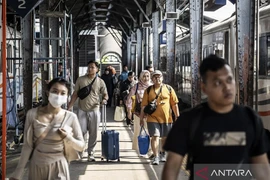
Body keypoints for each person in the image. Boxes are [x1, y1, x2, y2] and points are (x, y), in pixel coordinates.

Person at [162, 54, 270, 180]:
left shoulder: (250, 118)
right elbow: (171, 168)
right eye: (218, 83)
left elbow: (262, 168)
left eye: (229, 80)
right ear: (204, 88)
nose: (227, 87)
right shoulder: (189, 121)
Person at [10, 78, 85, 180]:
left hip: (59, 166)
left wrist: (68, 138)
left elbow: (81, 146)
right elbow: (27, 146)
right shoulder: (32, 114)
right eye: (54, 91)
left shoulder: (71, 117)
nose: (58, 96)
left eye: (63, 93)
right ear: (47, 93)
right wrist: (18, 172)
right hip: (37, 165)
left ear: (67, 97)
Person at [67, 60, 108, 162]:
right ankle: (81, 151)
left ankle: (91, 152)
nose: (90, 69)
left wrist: (104, 99)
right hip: (82, 109)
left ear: (97, 69)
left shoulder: (100, 82)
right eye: (89, 67)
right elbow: (75, 94)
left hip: (94, 110)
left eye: (92, 67)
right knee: (81, 132)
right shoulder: (80, 80)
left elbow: (105, 94)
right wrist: (69, 107)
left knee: (93, 132)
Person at [140, 70, 180, 165]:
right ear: (152, 79)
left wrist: (178, 117)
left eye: (159, 76)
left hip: (167, 118)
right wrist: (141, 119)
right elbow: (143, 106)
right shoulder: (148, 90)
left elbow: (174, 104)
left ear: (162, 78)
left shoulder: (169, 89)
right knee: (155, 136)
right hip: (152, 118)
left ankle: (163, 153)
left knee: (165, 138)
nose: (157, 78)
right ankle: (156, 156)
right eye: (155, 77)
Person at [126, 70, 152, 154]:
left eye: (147, 76)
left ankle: (151, 150)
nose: (146, 78)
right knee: (138, 130)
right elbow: (129, 99)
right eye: (144, 76)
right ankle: (139, 149)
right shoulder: (136, 86)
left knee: (150, 131)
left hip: (150, 113)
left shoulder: (152, 86)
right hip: (138, 113)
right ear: (140, 77)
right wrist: (129, 111)